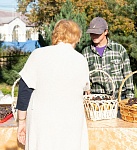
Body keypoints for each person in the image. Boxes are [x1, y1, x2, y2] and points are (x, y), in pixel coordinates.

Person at [16, 19, 90, 150]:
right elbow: (86, 90)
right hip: (71, 123)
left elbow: (24, 89)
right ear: (76, 37)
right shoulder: (81, 60)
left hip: (43, 122)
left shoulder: (38, 54)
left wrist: (21, 121)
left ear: (55, 34)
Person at [82, 17, 134, 99]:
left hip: (119, 97)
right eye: (92, 33)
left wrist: (130, 98)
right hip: (98, 99)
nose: (94, 36)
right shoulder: (86, 52)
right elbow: (83, 76)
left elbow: (128, 75)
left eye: (97, 33)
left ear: (106, 32)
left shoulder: (119, 49)